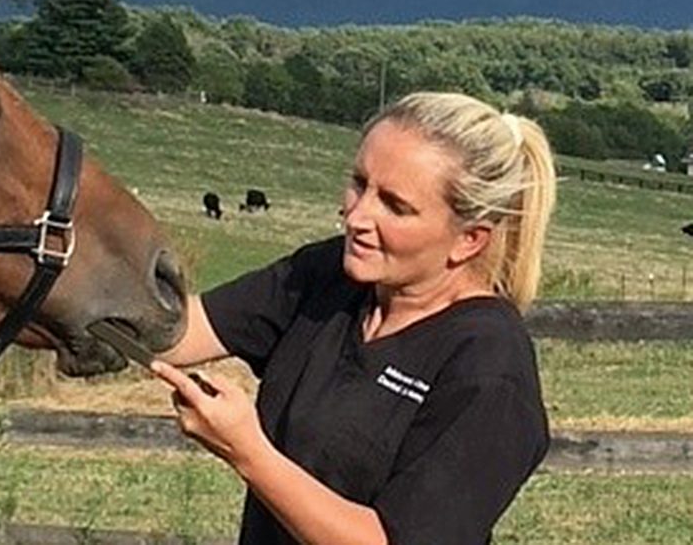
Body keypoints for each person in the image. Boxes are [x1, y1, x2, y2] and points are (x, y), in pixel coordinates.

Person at [152, 91, 556, 545]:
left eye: (395, 206)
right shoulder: (330, 276)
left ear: (469, 241)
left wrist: (249, 452)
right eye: (359, 183)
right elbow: (176, 331)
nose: (357, 215)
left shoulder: (489, 367)